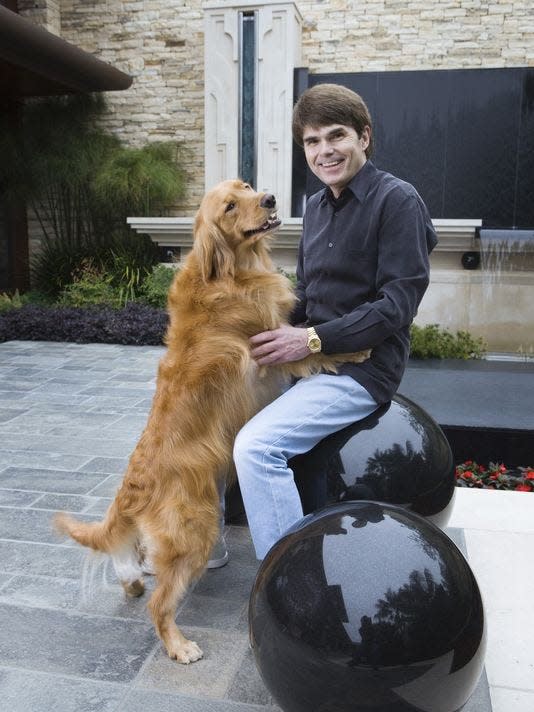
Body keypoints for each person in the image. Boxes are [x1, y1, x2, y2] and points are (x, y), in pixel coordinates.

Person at [233, 83, 438, 560]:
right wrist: (251, 329)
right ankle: (201, 534)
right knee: (214, 405)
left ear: (364, 137)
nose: (324, 151)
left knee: (257, 447)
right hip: (310, 358)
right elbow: (307, 296)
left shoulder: (399, 202)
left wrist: (308, 340)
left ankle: (290, 579)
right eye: (312, 141)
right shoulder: (318, 206)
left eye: (336, 136)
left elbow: (396, 306)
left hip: (361, 370)